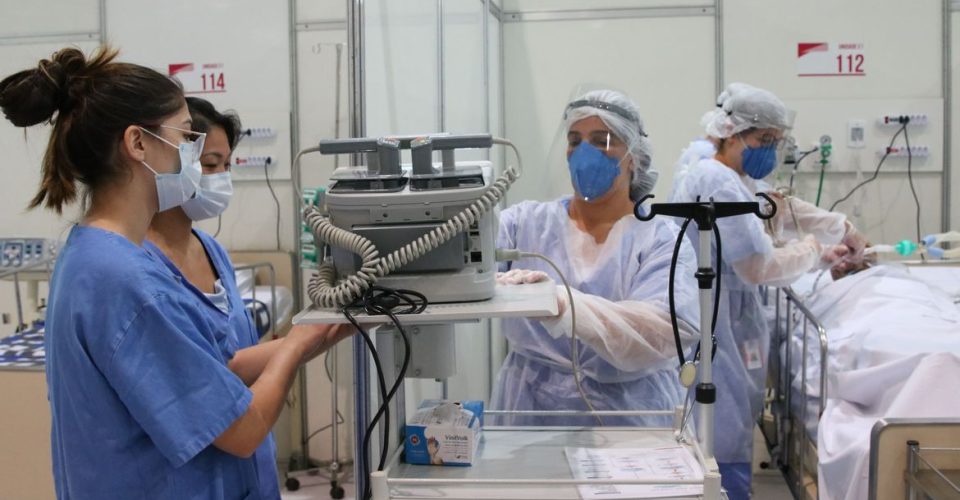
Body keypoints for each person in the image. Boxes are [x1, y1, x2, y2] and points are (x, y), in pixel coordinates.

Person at [0, 46, 351, 499]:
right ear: (137, 143)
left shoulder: (95, 256)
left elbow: (210, 373)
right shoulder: (127, 281)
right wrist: (295, 347)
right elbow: (241, 432)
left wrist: (322, 331)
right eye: (187, 139)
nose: (196, 155)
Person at [670, 83, 855, 499]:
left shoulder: (732, 175)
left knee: (728, 419)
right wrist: (812, 249)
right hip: (714, 320)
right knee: (723, 424)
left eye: (776, 141)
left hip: (727, 317)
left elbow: (771, 211)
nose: (769, 150)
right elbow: (756, 266)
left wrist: (830, 241)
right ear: (731, 133)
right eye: (763, 140)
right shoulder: (713, 178)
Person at [491, 89, 700, 427]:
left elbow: (662, 331)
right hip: (530, 410)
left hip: (632, 413)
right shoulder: (524, 224)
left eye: (602, 140)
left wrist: (563, 305)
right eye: (575, 140)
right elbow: (466, 271)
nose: (584, 153)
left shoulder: (661, 239)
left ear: (634, 156)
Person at [142, 97, 293, 499]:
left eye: (226, 166)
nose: (220, 178)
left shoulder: (211, 251)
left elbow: (233, 362)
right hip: (193, 475)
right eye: (209, 165)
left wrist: (313, 333)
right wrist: (295, 351)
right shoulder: (140, 269)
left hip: (249, 472)